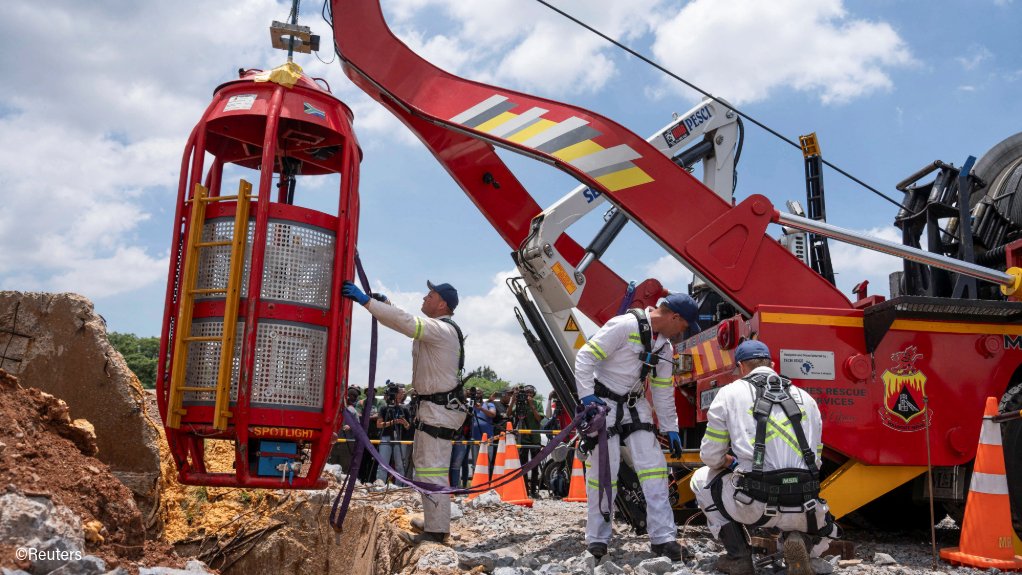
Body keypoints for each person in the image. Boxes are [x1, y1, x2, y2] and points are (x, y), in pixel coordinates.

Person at [690, 340, 840, 575]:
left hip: (755, 503)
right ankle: (800, 540)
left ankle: (738, 557)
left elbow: (710, 456)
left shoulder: (728, 394)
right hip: (804, 506)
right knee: (809, 514)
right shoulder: (807, 399)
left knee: (701, 479)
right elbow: (816, 461)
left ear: (741, 367)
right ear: (772, 364)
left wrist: (728, 462)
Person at [575, 293, 698, 562]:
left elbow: (663, 390)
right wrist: (586, 397)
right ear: (674, 317)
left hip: (635, 406)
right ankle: (597, 539)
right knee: (603, 474)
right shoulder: (623, 326)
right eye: (684, 326)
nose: (683, 332)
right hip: (603, 405)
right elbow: (585, 358)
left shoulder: (665, 348)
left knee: (655, 472)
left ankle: (663, 539)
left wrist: (670, 428)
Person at [343, 279, 464, 545]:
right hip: (433, 408)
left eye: (430, 294)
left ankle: (436, 531)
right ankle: (435, 522)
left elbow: (406, 323)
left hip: (437, 410)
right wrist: (385, 306)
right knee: (426, 468)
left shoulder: (441, 329)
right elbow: (401, 321)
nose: (425, 297)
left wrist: (368, 302)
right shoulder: (439, 329)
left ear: (442, 302)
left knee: (431, 469)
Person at [508, 385, 543, 497]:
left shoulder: (537, 403)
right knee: (522, 466)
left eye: (530, 393)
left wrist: (532, 406)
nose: (528, 395)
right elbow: (508, 414)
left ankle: (533, 491)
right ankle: (524, 490)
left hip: (534, 438)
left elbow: (539, 419)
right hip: (522, 439)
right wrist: (513, 400)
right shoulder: (519, 403)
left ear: (533, 394)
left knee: (535, 466)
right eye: (526, 393)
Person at [375, 382, 411, 484]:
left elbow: (408, 427)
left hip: (400, 438)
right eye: (399, 393)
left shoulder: (404, 409)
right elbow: (379, 425)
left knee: (400, 465)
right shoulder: (384, 408)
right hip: (386, 437)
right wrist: (393, 422)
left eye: (402, 394)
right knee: (383, 465)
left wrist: (404, 422)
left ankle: (399, 486)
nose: (401, 395)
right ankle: (380, 485)